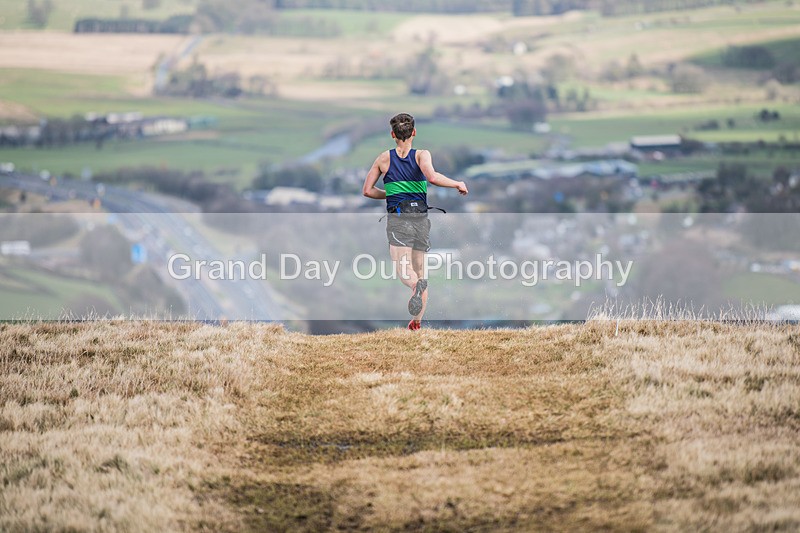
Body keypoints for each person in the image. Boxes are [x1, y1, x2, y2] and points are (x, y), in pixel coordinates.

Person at [362, 112, 468, 330]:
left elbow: (367, 191)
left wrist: (391, 194)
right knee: (421, 274)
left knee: (405, 272)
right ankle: (416, 323)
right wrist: (457, 183)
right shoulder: (422, 155)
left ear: (393, 134)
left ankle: (414, 287)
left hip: (399, 219)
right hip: (420, 218)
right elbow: (433, 177)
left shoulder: (383, 159)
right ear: (414, 132)